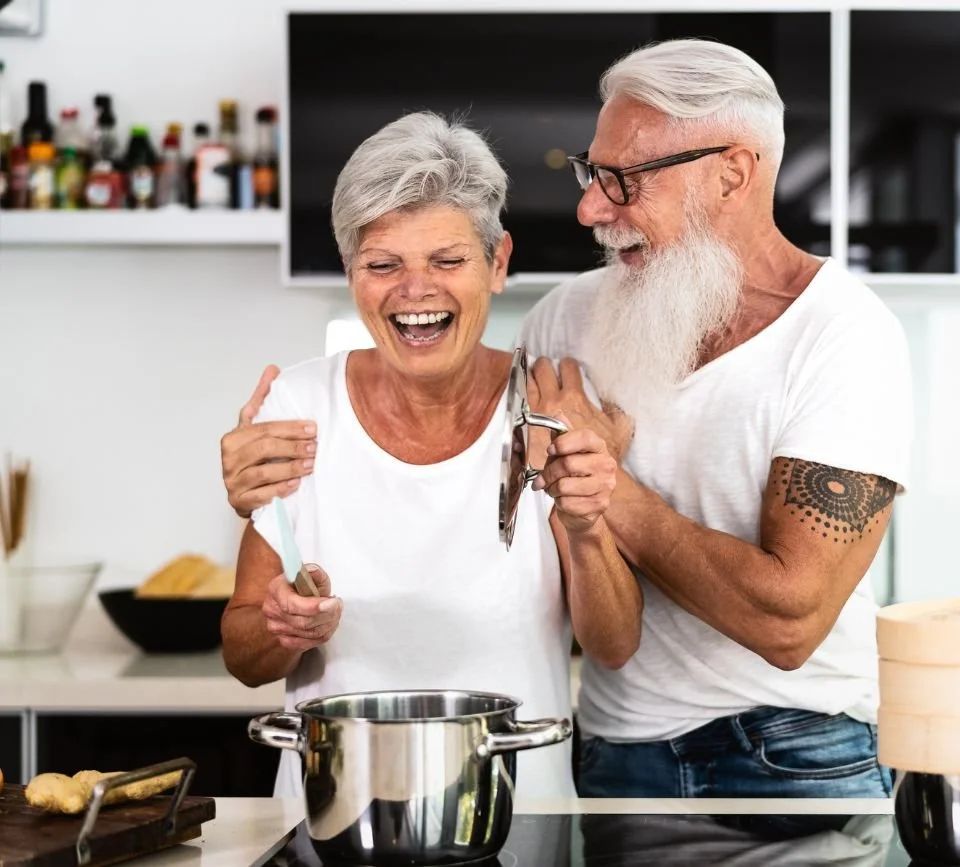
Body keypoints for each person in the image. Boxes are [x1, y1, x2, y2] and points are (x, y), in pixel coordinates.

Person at [221, 38, 912, 799]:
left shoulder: (844, 335)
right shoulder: (566, 324)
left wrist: (605, 484)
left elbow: (791, 623)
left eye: (622, 179)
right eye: (593, 172)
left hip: (794, 745)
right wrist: (261, 495)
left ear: (732, 173)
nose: (589, 206)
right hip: (615, 745)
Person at [217, 110, 642, 801]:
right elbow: (243, 656)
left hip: (516, 813)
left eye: (447, 260)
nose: (416, 292)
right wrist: (283, 624)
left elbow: (615, 645)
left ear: (497, 263)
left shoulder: (549, 401)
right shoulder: (298, 407)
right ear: (352, 272)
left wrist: (591, 522)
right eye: (383, 264)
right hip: (333, 817)